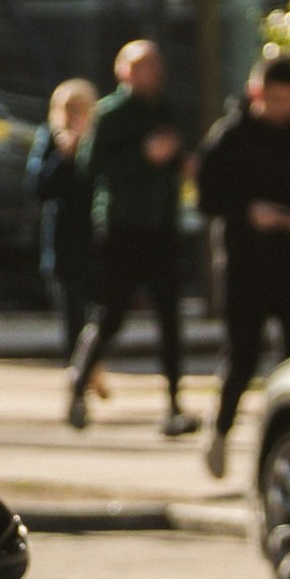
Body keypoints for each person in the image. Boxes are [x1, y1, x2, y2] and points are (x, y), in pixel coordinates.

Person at [195, 52, 290, 480]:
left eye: (288, 99)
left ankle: (289, 445)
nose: (281, 107)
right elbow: (206, 198)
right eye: (274, 98)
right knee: (242, 355)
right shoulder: (230, 139)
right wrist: (247, 212)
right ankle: (221, 431)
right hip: (244, 264)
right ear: (257, 92)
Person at [65, 35, 193, 432]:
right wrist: (142, 155)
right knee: (111, 314)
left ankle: (174, 403)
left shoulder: (166, 110)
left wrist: (178, 164)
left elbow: (172, 160)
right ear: (125, 72)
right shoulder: (110, 114)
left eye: (157, 67)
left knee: (170, 316)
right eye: (145, 68)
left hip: (161, 225)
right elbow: (91, 166)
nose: (154, 75)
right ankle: (78, 386)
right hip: (121, 226)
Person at [29, 79, 100, 367]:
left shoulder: (100, 139)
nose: (73, 117)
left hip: (97, 236)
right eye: (67, 110)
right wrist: (63, 156)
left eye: (79, 110)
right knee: (72, 313)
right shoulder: (50, 138)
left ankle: (93, 363)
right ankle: (79, 371)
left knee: (100, 311)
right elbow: (37, 187)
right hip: (64, 240)